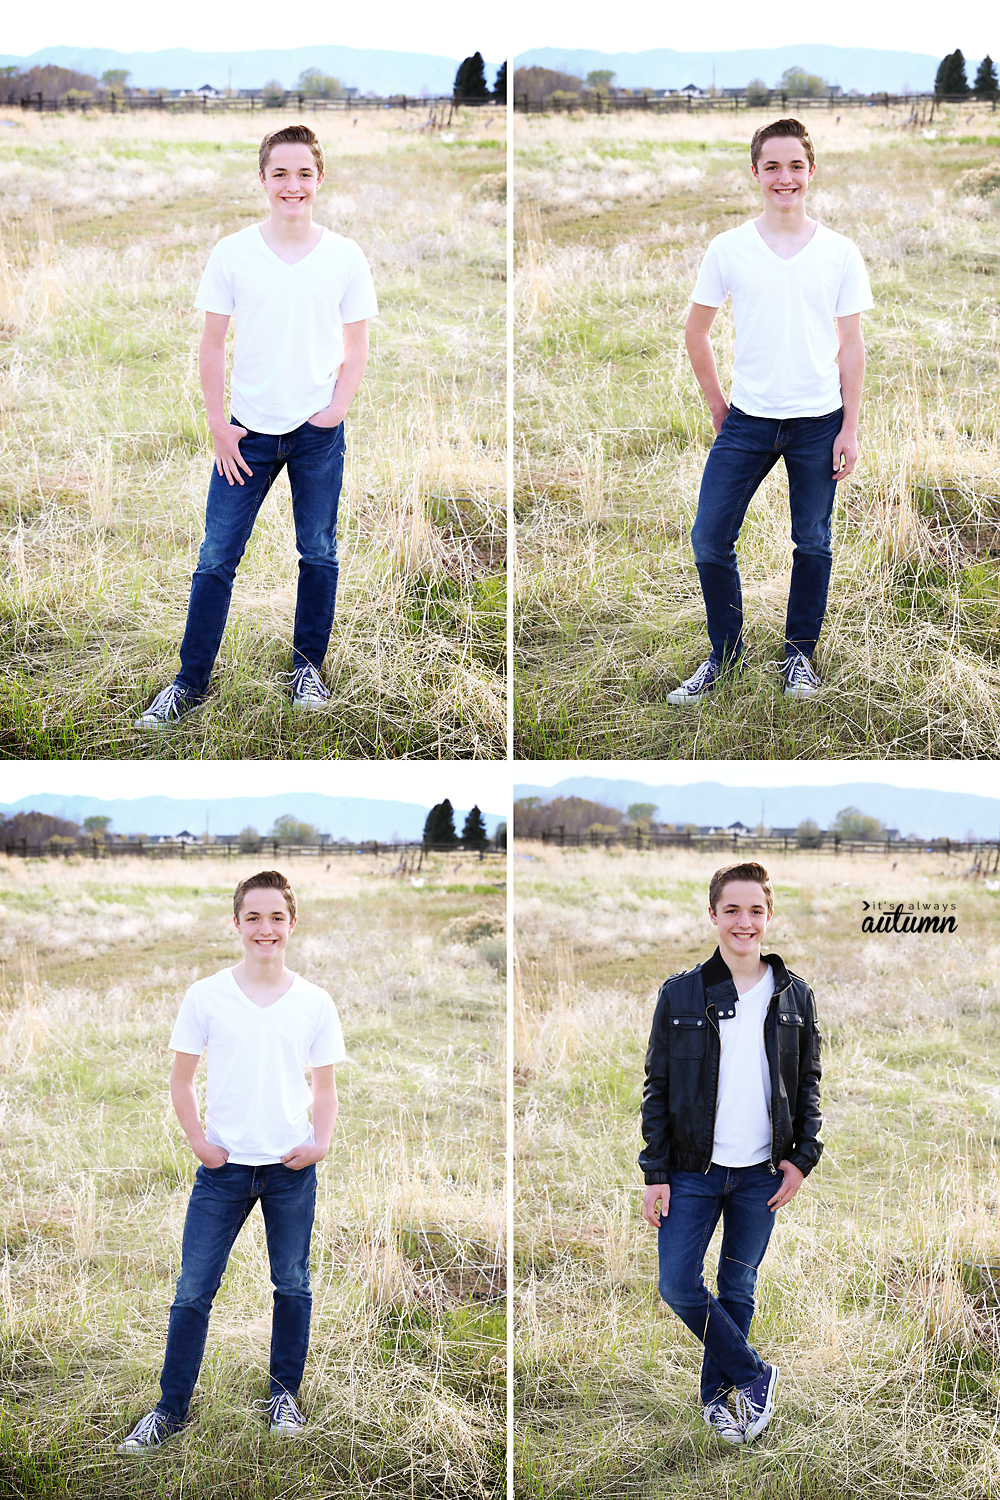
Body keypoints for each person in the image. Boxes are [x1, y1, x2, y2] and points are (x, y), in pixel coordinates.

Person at [135, 124, 379, 728]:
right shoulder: (233, 252)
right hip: (246, 434)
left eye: (303, 174)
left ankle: (307, 671)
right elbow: (212, 346)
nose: (291, 185)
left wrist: (336, 409)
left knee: (317, 551)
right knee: (217, 556)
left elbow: (358, 344)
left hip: (316, 433)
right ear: (262, 179)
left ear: (320, 180)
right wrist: (219, 423)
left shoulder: (344, 256)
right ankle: (188, 684)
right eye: (279, 173)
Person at [118, 870, 345, 1451]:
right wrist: (199, 1141)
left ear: (292, 924)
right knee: (193, 1289)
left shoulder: (314, 1002)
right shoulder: (206, 995)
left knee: (292, 1284)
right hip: (222, 1172)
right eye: (252, 917)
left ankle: (284, 1400)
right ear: (236, 923)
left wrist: (319, 1144)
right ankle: (169, 1411)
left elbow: (324, 1088)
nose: (264, 929)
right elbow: (181, 1081)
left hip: (290, 1168)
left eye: (275, 918)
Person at [669, 118, 873, 705]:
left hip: (819, 422)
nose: (785, 178)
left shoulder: (839, 252)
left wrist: (850, 427)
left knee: (812, 541)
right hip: (748, 421)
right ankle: (725, 657)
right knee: (709, 537)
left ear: (812, 171)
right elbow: (697, 331)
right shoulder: (728, 248)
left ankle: (799, 657)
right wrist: (717, 404)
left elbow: (853, 344)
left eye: (796, 166)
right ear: (755, 173)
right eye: (773, 167)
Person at [639, 861, 822, 1445]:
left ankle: (722, 1403)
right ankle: (754, 1374)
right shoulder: (681, 993)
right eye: (732, 910)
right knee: (677, 1285)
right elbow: (658, 1087)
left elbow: (809, 1081)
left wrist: (803, 1156)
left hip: (760, 1175)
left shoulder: (794, 996)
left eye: (756, 911)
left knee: (738, 1289)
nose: (745, 922)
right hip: (693, 1171)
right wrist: (656, 1171)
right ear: (713, 914)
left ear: (770, 916)